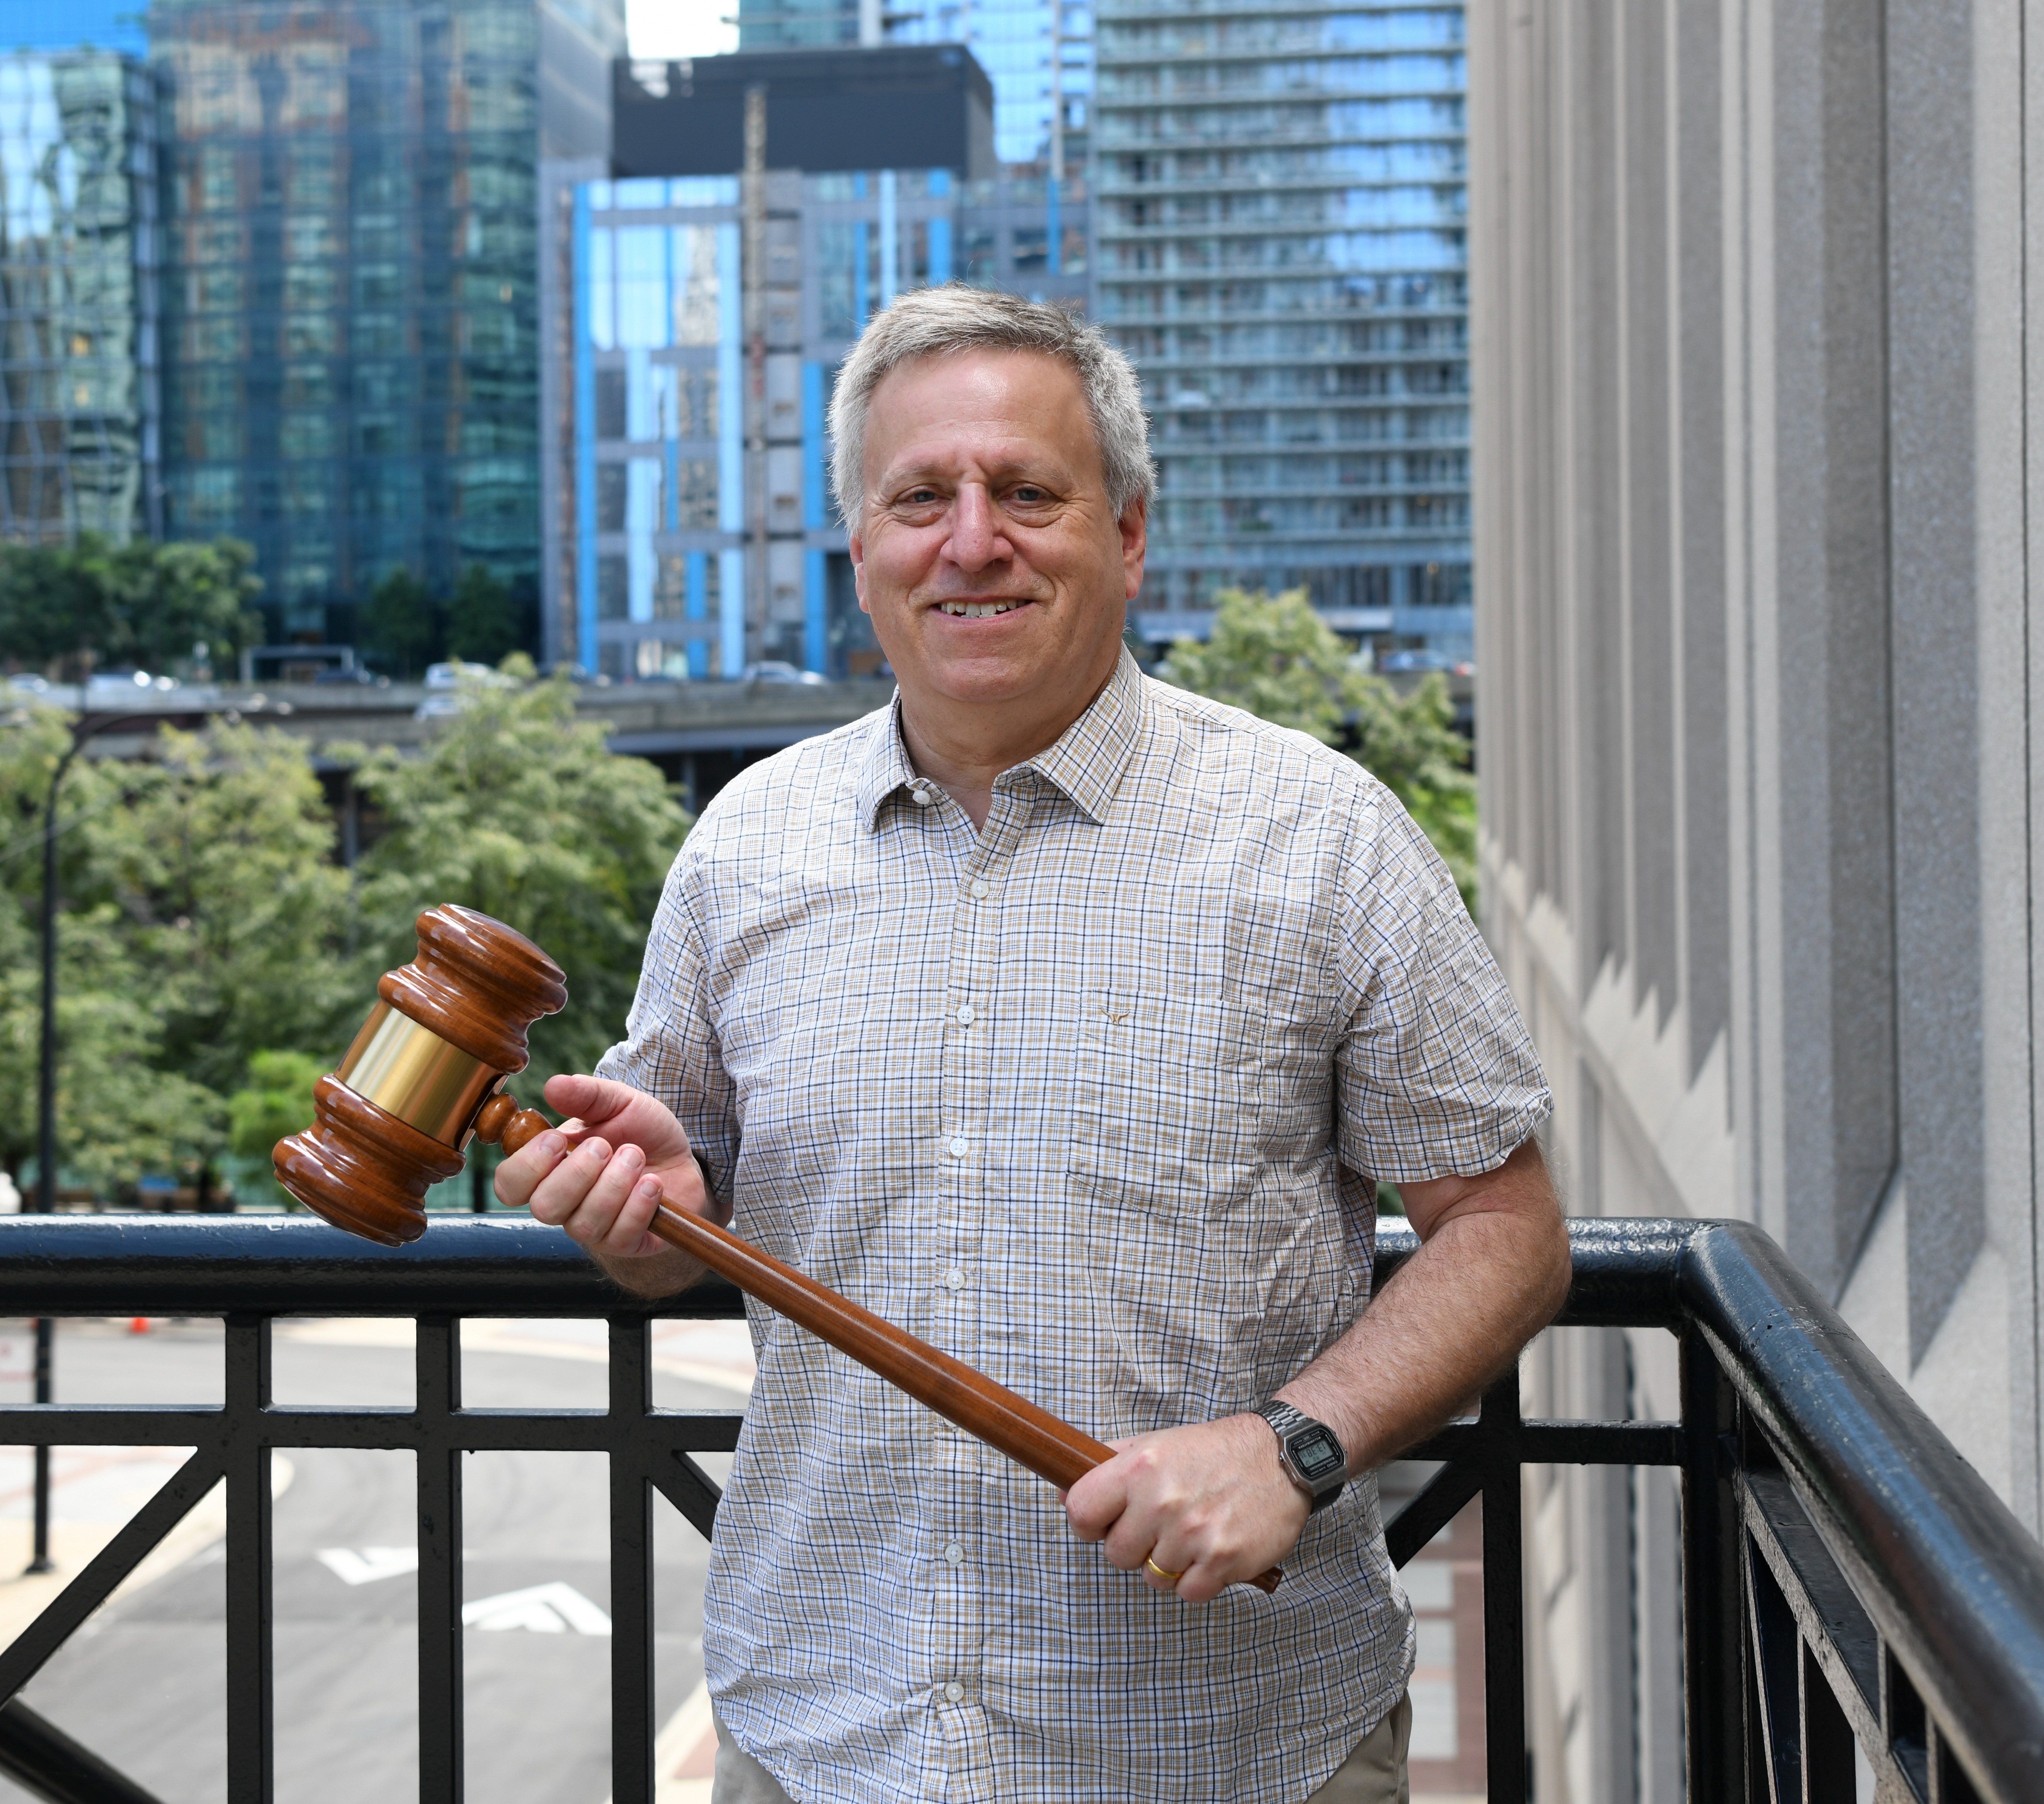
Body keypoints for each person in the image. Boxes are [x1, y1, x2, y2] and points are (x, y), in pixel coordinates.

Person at [496, 287, 1568, 1804]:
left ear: (1125, 536)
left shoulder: (1319, 838)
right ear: (855, 551)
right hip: (821, 1741)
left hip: (1235, 1753)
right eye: (918, 497)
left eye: (1028, 492)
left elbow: (1506, 1227)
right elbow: (672, 1243)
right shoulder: (742, 851)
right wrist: (661, 1216)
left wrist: (1293, 1450)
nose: (970, 539)